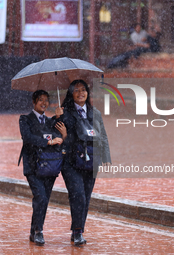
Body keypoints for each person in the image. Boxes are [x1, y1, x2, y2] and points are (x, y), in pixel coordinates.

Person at [55, 80, 111, 246]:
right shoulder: (64, 113)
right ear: (71, 94)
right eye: (76, 90)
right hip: (71, 162)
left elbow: (103, 136)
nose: (81, 93)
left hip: (91, 160)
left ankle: (77, 229)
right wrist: (58, 120)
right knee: (78, 194)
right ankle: (78, 232)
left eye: (83, 90)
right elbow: (55, 135)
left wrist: (106, 157)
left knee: (85, 197)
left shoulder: (96, 113)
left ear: (88, 93)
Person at [19, 90, 66, 246]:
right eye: (40, 100)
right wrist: (48, 142)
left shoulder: (50, 121)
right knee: (41, 197)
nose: (44, 103)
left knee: (42, 200)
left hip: (49, 166)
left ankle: (34, 230)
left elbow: (59, 138)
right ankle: (39, 231)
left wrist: (60, 120)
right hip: (33, 166)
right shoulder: (25, 119)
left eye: (46, 100)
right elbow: (28, 138)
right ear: (34, 102)